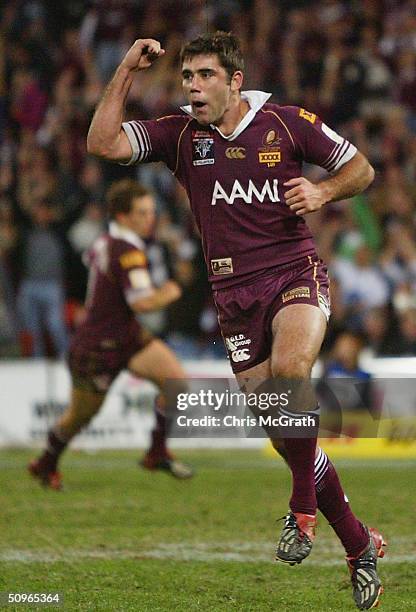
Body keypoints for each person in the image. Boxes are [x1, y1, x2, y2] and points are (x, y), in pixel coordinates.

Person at [86, 32, 385, 610]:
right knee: (284, 431)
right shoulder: (179, 134)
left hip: (295, 273)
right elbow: (102, 143)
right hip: (234, 296)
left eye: (203, 76)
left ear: (233, 81)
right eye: (187, 77)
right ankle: (359, 542)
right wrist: (125, 68)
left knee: (291, 372)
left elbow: (363, 170)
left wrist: (323, 193)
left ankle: (301, 514)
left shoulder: (288, 123)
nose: (193, 87)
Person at [29, 179, 193, 489]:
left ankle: (156, 452)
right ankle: (45, 462)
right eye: (142, 213)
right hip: (97, 346)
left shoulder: (108, 240)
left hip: (126, 335)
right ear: (122, 216)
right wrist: (171, 291)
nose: (150, 218)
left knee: (176, 382)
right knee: (80, 417)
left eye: (151, 211)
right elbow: (143, 302)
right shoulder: (128, 250)